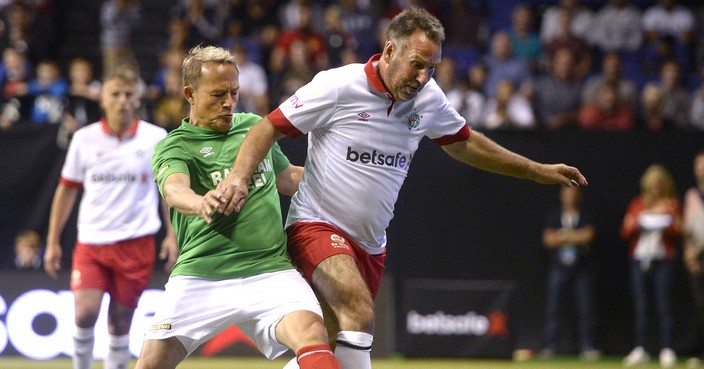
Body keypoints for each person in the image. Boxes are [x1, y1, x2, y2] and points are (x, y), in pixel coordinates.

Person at [215, 8, 588, 369]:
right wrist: (238, 177)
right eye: (417, 64)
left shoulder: (428, 99)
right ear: (390, 51)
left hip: (370, 246)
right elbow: (268, 128)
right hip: (315, 225)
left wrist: (534, 169)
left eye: (432, 68)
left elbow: (466, 143)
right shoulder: (339, 86)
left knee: (325, 349)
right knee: (359, 313)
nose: (424, 77)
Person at [134, 45, 340, 369]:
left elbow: (288, 178)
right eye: (218, 95)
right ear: (189, 93)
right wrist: (200, 201)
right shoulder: (174, 145)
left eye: (234, 92)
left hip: (270, 271)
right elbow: (175, 190)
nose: (229, 103)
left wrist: (351, 184)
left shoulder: (252, 128)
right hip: (201, 275)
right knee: (149, 365)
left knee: (316, 336)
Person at [44, 67, 179, 369]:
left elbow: (168, 192)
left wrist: (172, 236)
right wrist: (53, 241)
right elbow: (66, 191)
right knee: (84, 314)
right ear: (102, 99)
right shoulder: (84, 139)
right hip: (92, 242)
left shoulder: (157, 138)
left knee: (120, 323)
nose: (122, 101)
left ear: (138, 98)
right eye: (115, 94)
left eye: (128, 94)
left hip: (137, 243)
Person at [621, 164, 682, 368]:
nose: (656, 189)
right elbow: (626, 231)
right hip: (640, 260)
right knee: (642, 306)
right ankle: (641, 348)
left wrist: (670, 221)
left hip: (662, 260)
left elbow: (677, 232)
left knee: (664, 305)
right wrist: (635, 222)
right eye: (653, 185)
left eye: (660, 185)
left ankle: (667, 348)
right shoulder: (638, 204)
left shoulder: (672, 204)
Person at [538, 186, 599, 361]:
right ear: (561, 197)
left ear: (579, 196)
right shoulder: (554, 216)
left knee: (586, 307)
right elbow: (548, 240)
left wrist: (563, 237)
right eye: (567, 194)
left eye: (573, 194)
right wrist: (574, 236)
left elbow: (588, 236)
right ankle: (551, 345)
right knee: (554, 307)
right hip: (559, 268)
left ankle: (588, 346)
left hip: (582, 269)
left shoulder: (586, 215)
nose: (570, 198)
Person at [683, 151, 704, 367]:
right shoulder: (691, 195)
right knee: (700, 307)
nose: (701, 169)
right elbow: (687, 229)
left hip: (700, 253)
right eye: (698, 165)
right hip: (697, 261)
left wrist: (696, 251)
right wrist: (689, 254)